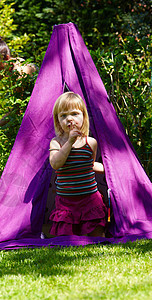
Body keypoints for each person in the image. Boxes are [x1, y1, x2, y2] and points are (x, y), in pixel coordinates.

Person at [49, 92, 107, 237]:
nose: (69, 119)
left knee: (95, 235)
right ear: (58, 121)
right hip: (66, 203)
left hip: (90, 200)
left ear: (83, 117)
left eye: (75, 114)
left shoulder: (90, 142)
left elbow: (90, 164)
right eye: (63, 116)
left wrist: (110, 170)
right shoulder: (57, 142)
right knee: (65, 238)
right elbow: (55, 164)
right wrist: (69, 142)